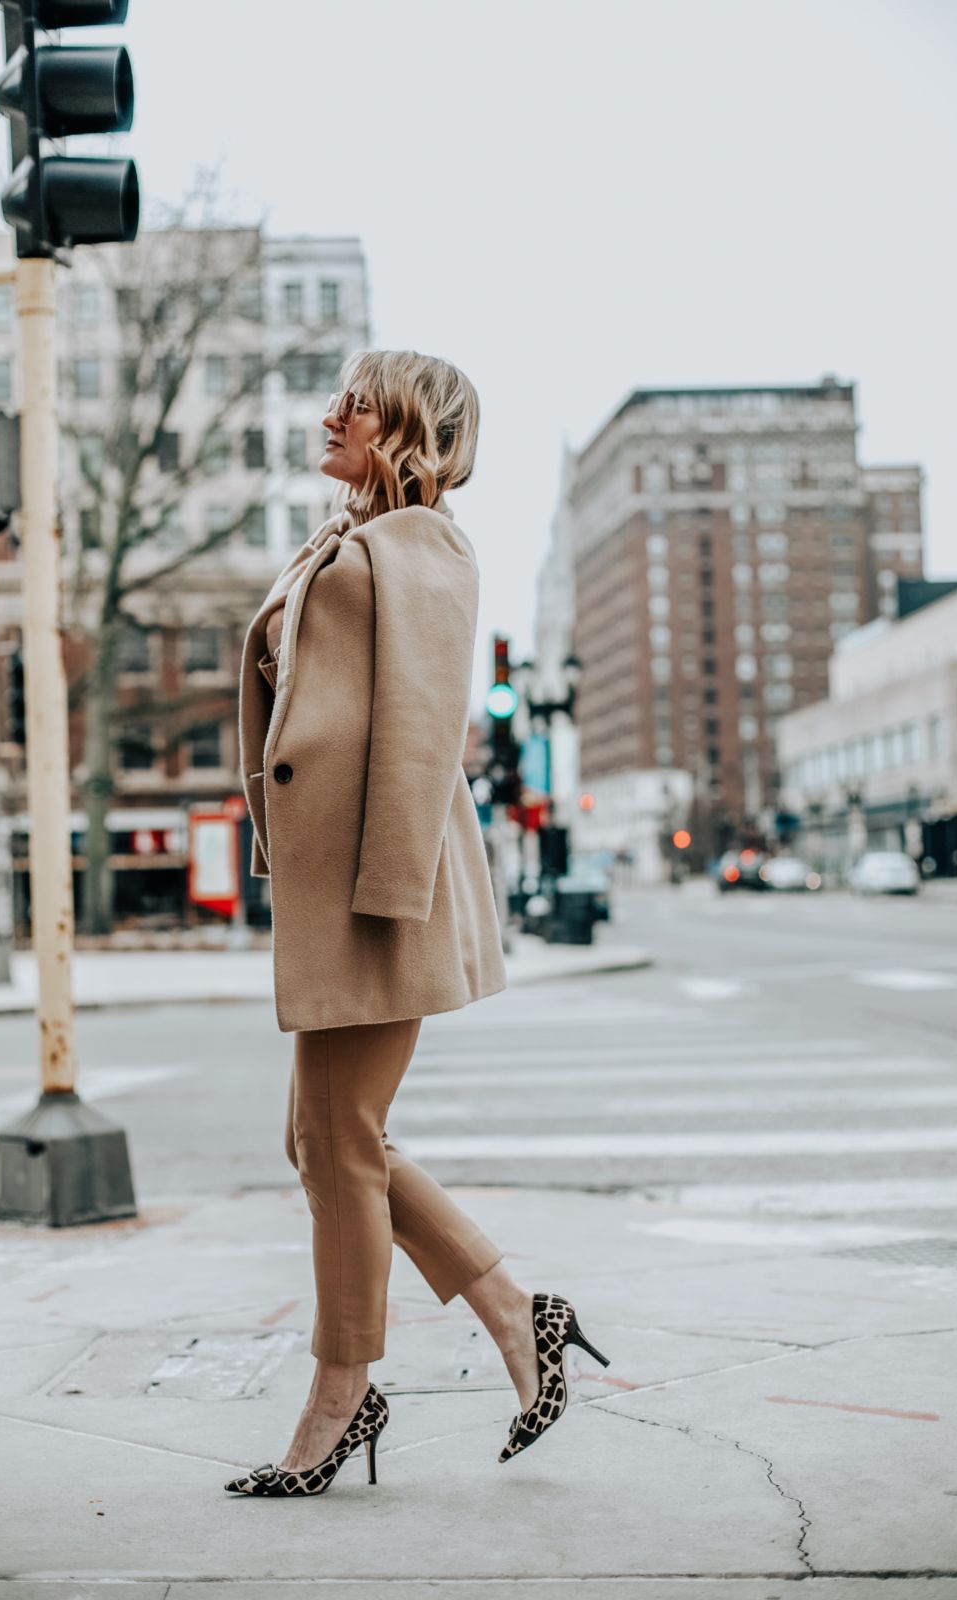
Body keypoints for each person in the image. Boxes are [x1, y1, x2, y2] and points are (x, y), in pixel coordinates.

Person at [224, 350, 610, 1499]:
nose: (330, 413)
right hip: (334, 886)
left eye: (355, 400)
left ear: (404, 426)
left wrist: (385, 899)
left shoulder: (423, 545)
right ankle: (514, 1311)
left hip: (375, 888)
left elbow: (422, 731)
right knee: (322, 1138)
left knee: (338, 1141)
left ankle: (340, 1394)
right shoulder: (344, 540)